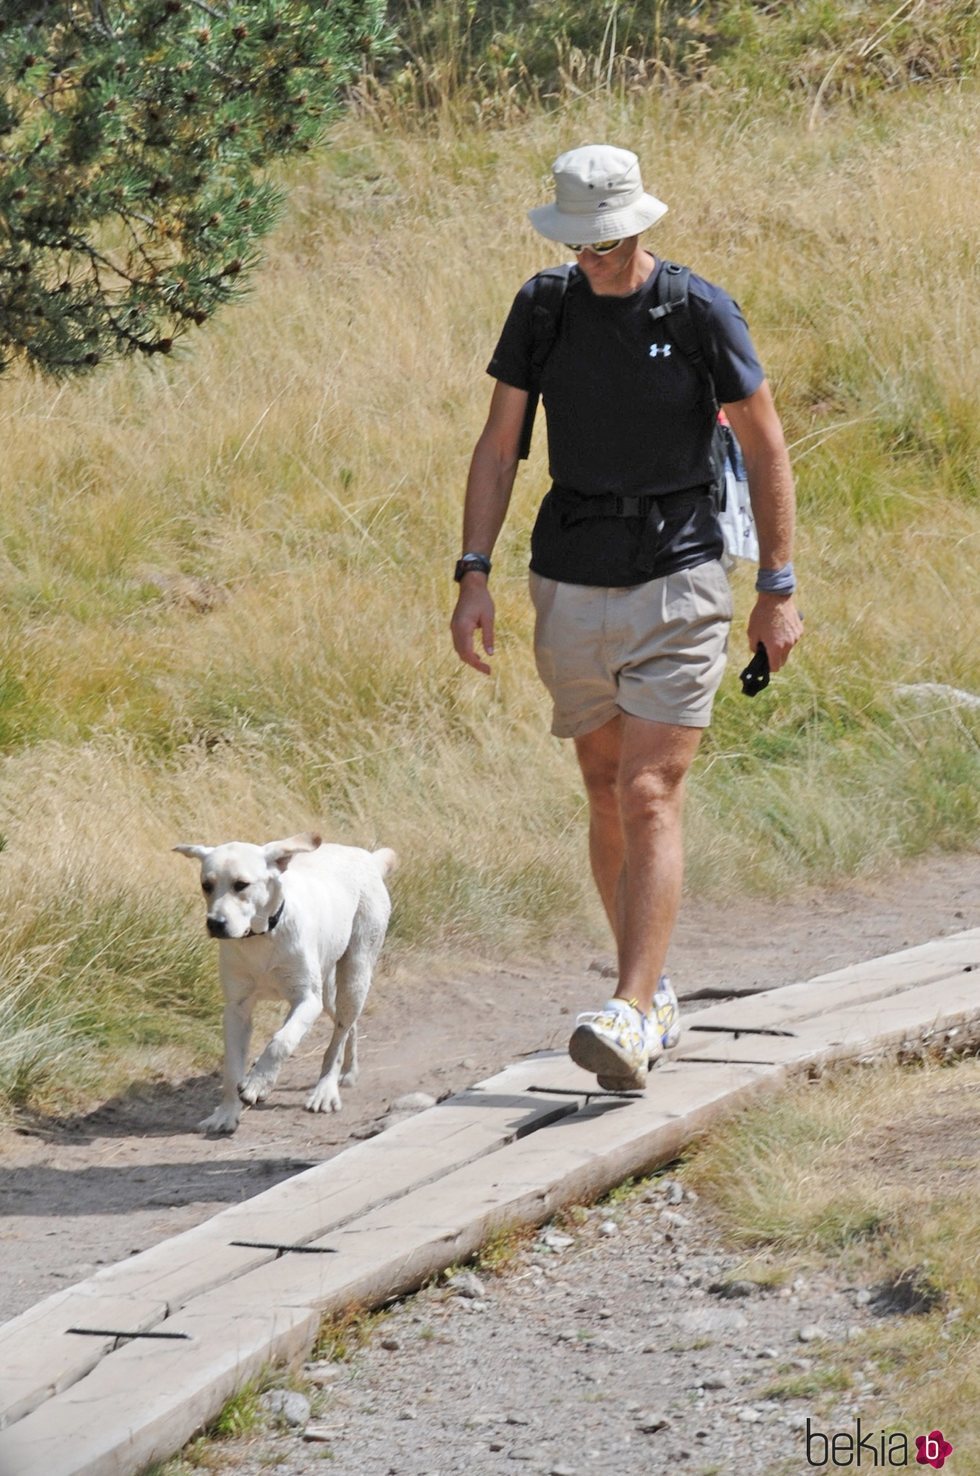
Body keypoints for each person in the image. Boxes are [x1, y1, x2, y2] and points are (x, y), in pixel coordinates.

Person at [450, 144, 802, 1092]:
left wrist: (779, 585)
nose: (595, 257)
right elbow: (498, 447)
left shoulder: (697, 310)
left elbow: (768, 449)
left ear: (639, 225)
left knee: (650, 791)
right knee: (603, 786)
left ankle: (632, 1007)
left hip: (679, 575)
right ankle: (650, 994)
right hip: (569, 575)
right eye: (582, 243)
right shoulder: (544, 307)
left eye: (608, 241)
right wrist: (472, 573)